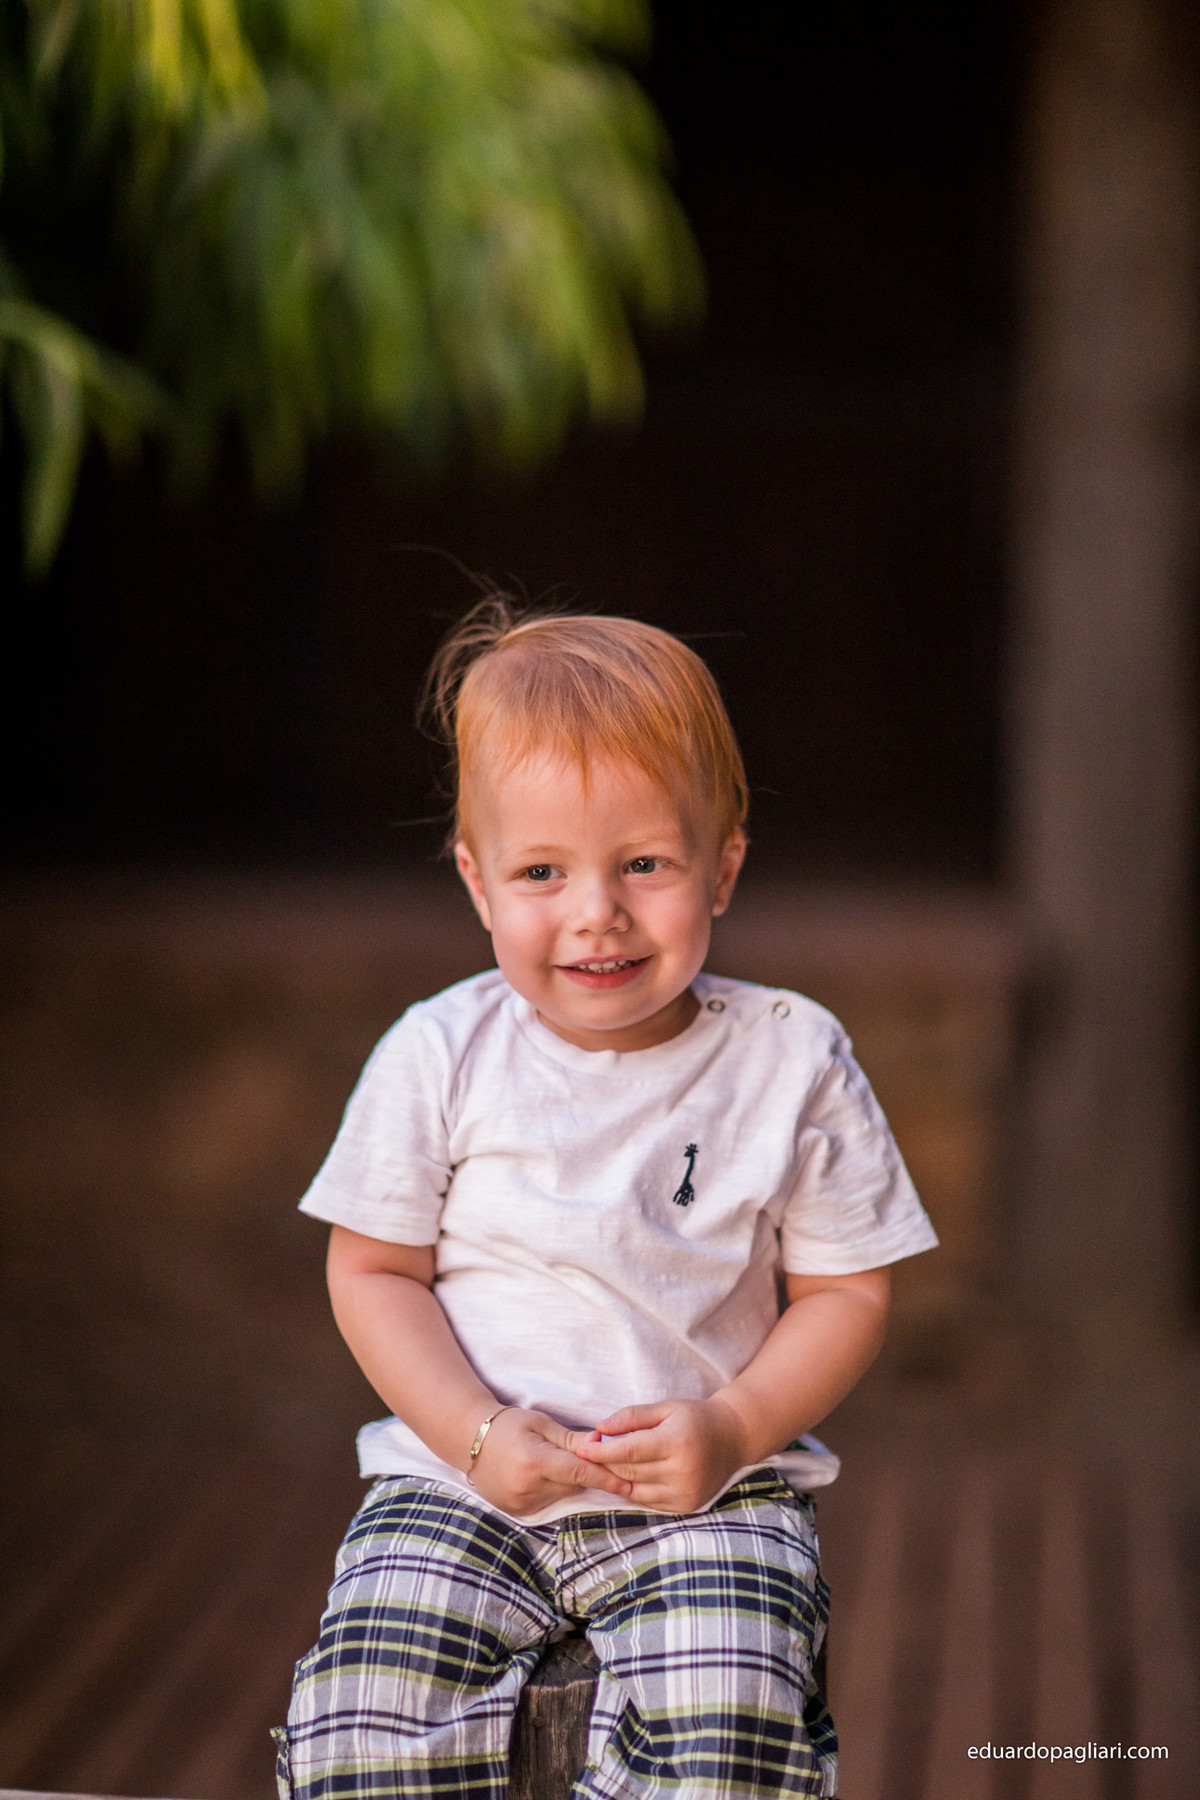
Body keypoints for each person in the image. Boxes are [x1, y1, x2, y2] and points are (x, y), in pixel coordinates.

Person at [274, 600, 938, 1800]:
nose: (596, 912)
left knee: (733, 1724)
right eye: (541, 871)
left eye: (645, 863)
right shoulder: (440, 1053)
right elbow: (371, 1272)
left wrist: (734, 1431)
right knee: (363, 1721)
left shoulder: (791, 1059)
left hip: (708, 1498)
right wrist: (474, 1436)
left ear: (722, 864)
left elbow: (845, 1290)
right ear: (476, 882)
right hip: (458, 1482)